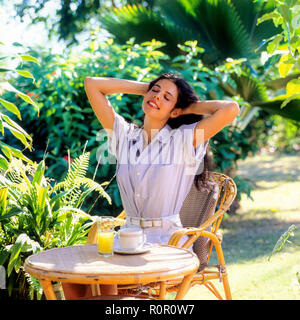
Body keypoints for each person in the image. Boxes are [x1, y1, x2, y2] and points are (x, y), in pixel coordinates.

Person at [62, 72, 239, 299]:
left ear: (175, 110)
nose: (156, 97)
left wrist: (186, 107)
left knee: (103, 287)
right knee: (73, 281)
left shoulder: (184, 139)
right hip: (126, 239)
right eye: (155, 91)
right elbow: (92, 84)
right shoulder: (125, 136)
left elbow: (230, 109)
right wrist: (148, 88)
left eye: (167, 97)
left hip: (167, 243)